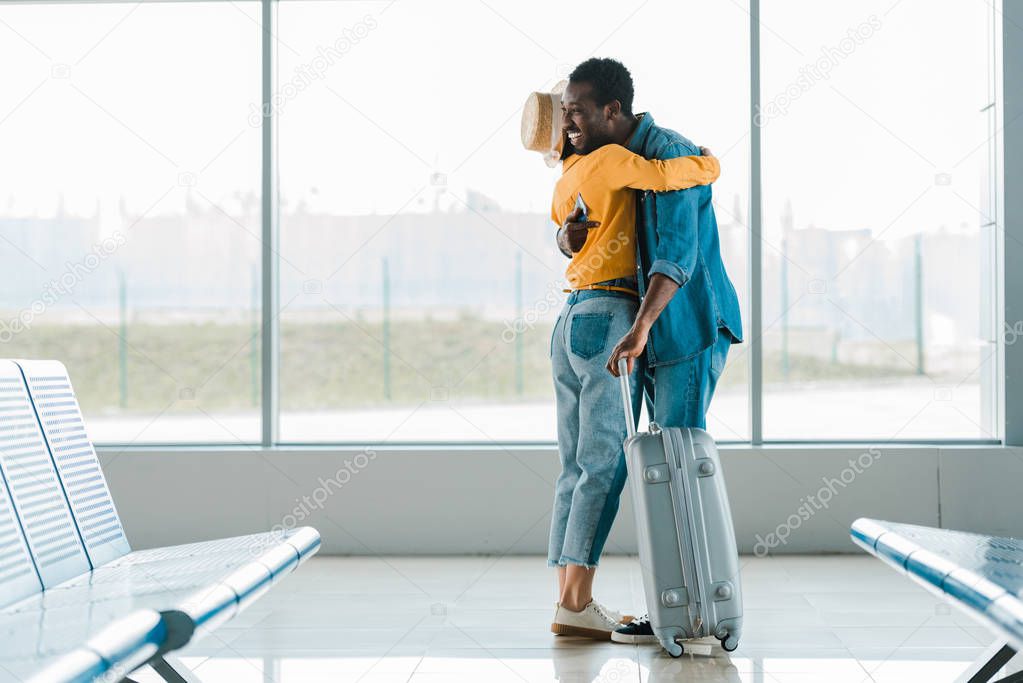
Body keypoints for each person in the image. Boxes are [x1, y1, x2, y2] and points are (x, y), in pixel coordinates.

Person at [521, 75, 723, 640]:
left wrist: (569, 240)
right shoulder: (610, 160)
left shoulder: (567, 178)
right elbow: (669, 175)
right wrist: (710, 163)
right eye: (567, 115)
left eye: (575, 112)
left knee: (575, 466)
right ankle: (580, 601)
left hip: (568, 320)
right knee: (604, 464)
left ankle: (568, 601)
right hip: (611, 314)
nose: (571, 123)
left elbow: (567, 237)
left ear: (608, 109)